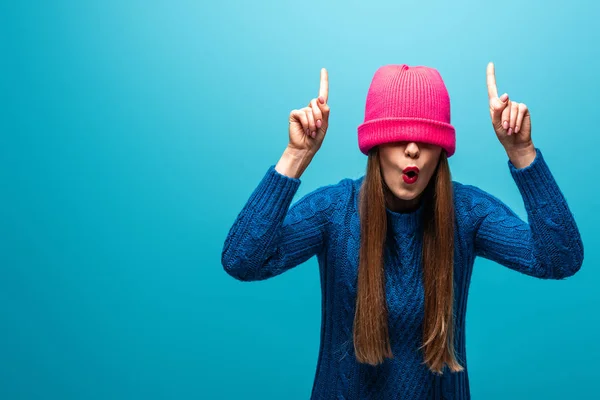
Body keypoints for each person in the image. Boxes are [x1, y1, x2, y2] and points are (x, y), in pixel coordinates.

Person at [220, 63, 584, 399]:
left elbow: (560, 259)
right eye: (397, 137)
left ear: (441, 151)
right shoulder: (335, 211)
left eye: (426, 139)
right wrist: (295, 156)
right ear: (375, 146)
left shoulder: (467, 213)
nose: (412, 149)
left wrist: (522, 153)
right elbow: (241, 260)